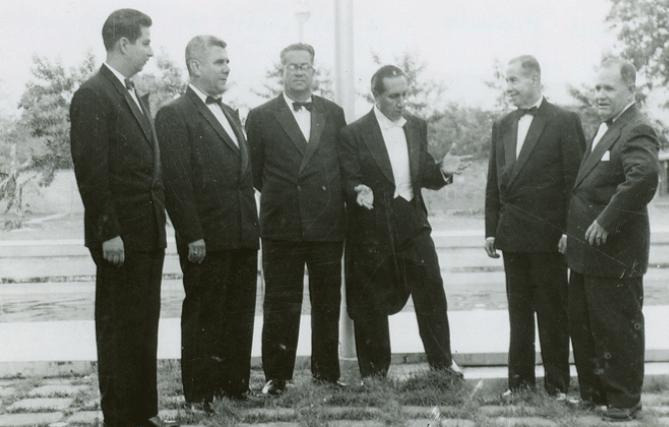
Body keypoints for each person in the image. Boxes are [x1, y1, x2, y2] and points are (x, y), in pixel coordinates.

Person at [69, 9, 176, 427]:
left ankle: (141, 414)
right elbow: (91, 172)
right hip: (120, 237)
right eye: (146, 42)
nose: (151, 51)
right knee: (119, 330)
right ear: (124, 44)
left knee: (142, 326)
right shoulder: (93, 94)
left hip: (146, 231)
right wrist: (108, 231)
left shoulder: (129, 91)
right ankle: (119, 417)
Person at [339, 65, 471, 379]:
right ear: (377, 95)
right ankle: (373, 373)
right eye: (394, 96)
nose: (401, 102)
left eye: (404, 95)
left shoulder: (416, 126)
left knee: (431, 291)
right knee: (371, 299)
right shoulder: (354, 133)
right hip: (372, 227)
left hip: (412, 224)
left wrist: (444, 170)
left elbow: (424, 173)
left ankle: (442, 363)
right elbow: (347, 177)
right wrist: (357, 190)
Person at [155, 36, 260, 410]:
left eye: (228, 61)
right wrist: (192, 235)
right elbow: (177, 182)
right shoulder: (174, 113)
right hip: (207, 238)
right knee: (205, 315)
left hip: (244, 234)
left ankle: (234, 388)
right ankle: (200, 394)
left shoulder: (231, 113)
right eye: (219, 62)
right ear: (195, 67)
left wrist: (252, 230)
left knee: (239, 313)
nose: (227, 68)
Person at [244, 43, 347, 395]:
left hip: (326, 224)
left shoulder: (333, 113)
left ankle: (327, 374)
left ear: (314, 71)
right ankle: (277, 377)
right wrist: (286, 198)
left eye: (305, 66)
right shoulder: (260, 116)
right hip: (282, 225)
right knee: (279, 302)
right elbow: (255, 173)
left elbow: (341, 165)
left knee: (327, 301)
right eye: (292, 66)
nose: (299, 72)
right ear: (282, 71)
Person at [561, 58, 659, 422]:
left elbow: (643, 178)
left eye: (608, 89)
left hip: (615, 252)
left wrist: (605, 221)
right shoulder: (607, 126)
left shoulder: (636, 128)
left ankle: (624, 402)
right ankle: (596, 396)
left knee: (617, 329)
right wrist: (568, 234)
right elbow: (589, 186)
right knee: (586, 326)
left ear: (630, 90)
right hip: (586, 251)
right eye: (597, 87)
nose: (599, 95)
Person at [484, 55, 585, 398]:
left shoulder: (564, 121)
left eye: (513, 80)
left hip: (549, 238)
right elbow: (493, 181)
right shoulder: (501, 124)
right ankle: (520, 385)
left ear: (534, 80)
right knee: (518, 314)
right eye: (506, 80)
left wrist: (570, 231)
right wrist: (491, 229)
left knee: (554, 314)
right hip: (511, 236)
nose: (508, 87)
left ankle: (557, 386)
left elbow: (575, 182)